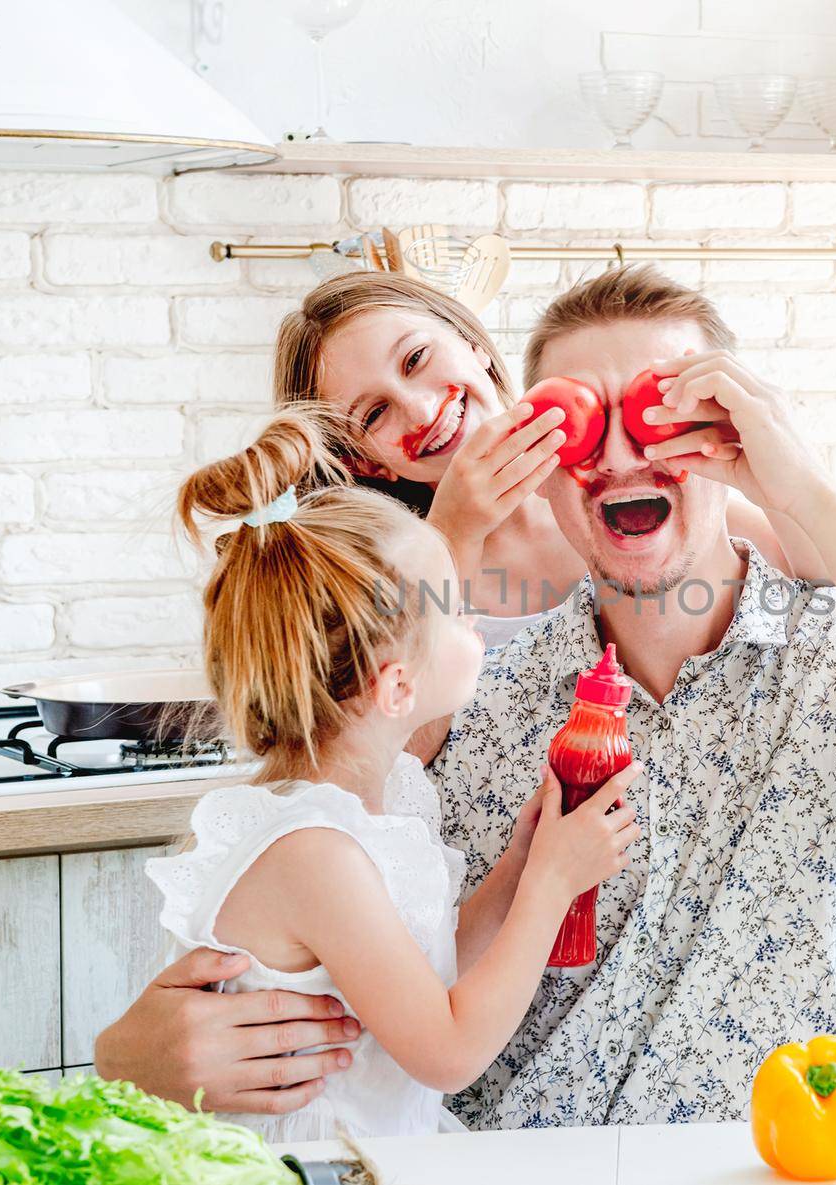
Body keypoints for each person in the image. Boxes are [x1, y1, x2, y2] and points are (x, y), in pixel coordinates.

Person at [97, 266, 836, 1127]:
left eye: (659, 416)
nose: (615, 453)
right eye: (584, 425)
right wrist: (133, 1055)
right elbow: (304, 869)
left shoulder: (833, 644)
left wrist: (808, 490)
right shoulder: (436, 688)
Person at [143, 408, 640, 1139]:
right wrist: (551, 885)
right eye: (453, 609)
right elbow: (447, 1051)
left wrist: (518, 867)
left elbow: (419, 972)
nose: (473, 620)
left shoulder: (379, 803)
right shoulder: (311, 852)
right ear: (397, 687)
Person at [270, 271, 820, 649]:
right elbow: (399, 761)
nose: (419, 410)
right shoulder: (380, 579)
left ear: (473, 345)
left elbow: (826, 591)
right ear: (366, 464)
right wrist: (450, 537)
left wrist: (789, 467)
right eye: (374, 415)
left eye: (416, 358)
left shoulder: (622, 484)